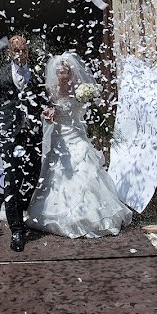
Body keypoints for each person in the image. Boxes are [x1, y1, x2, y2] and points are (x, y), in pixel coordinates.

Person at [26, 53, 132, 238]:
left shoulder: (80, 89)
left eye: (66, 72)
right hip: (60, 138)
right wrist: (48, 116)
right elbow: (46, 113)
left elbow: (86, 110)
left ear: (70, 72)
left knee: (86, 169)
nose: (63, 75)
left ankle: (93, 214)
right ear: (56, 74)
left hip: (77, 134)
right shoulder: (51, 92)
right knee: (58, 172)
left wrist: (91, 100)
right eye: (60, 73)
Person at [0, 35, 46, 252]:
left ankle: (22, 210)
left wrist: (48, 109)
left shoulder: (37, 74)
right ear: (9, 53)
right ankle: (16, 229)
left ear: (27, 52)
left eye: (23, 50)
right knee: (12, 179)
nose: (20, 54)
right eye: (16, 50)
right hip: (8, 133)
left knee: (32, 174)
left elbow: (43, 99)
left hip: (32, 133)